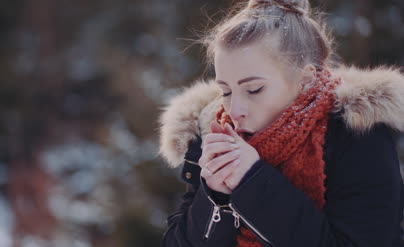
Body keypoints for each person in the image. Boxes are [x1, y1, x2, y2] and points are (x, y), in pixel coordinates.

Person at [157, 0, 404, 246]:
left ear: (306, 79)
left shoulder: (357, 133)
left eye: (254, 90)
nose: (235, 110)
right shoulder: (212, 129)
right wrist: (214, 197)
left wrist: (251, 182)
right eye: (226, 91)